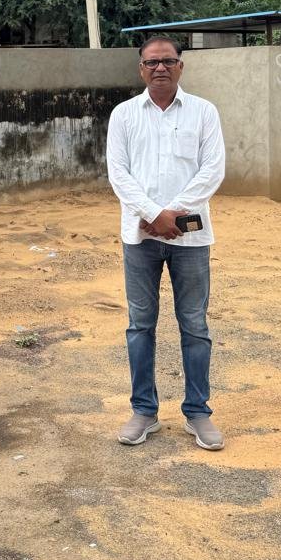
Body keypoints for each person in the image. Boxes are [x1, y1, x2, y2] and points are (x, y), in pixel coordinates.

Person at [106, 34, 226, 451]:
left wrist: (172, 213)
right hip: (139, 236)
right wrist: (154, 214)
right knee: (140, 325)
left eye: (168, 61)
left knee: (194, 325)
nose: (160, 67)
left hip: (190, 238)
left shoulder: (204, 112)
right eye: (152, 62)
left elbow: (212, 170)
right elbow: (118, 173)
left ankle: (198, 412)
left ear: (181, 66)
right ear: (141, 68)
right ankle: (144, 411)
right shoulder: (123, 115)